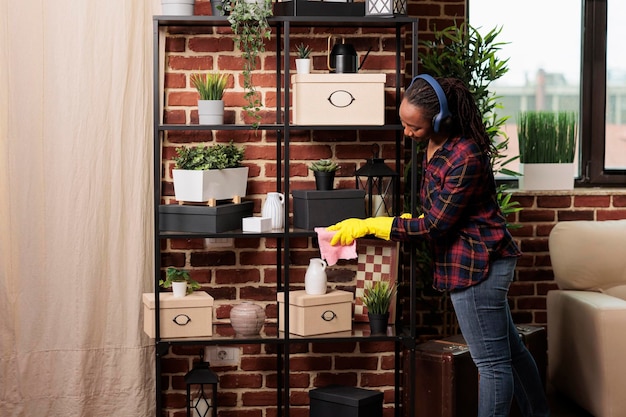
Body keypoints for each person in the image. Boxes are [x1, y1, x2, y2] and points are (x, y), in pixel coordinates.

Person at [328, 75, 550, 417]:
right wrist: (404, 219)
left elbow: (434, 225)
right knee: (512, 351)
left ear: (440, 120)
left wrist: (376, 224)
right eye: (403, 123)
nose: (406, 133)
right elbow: (437, 210)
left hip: (478, 265)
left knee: (490, 363)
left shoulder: (465, 156)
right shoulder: (433, 146)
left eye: (413, 127)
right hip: (470, 260)